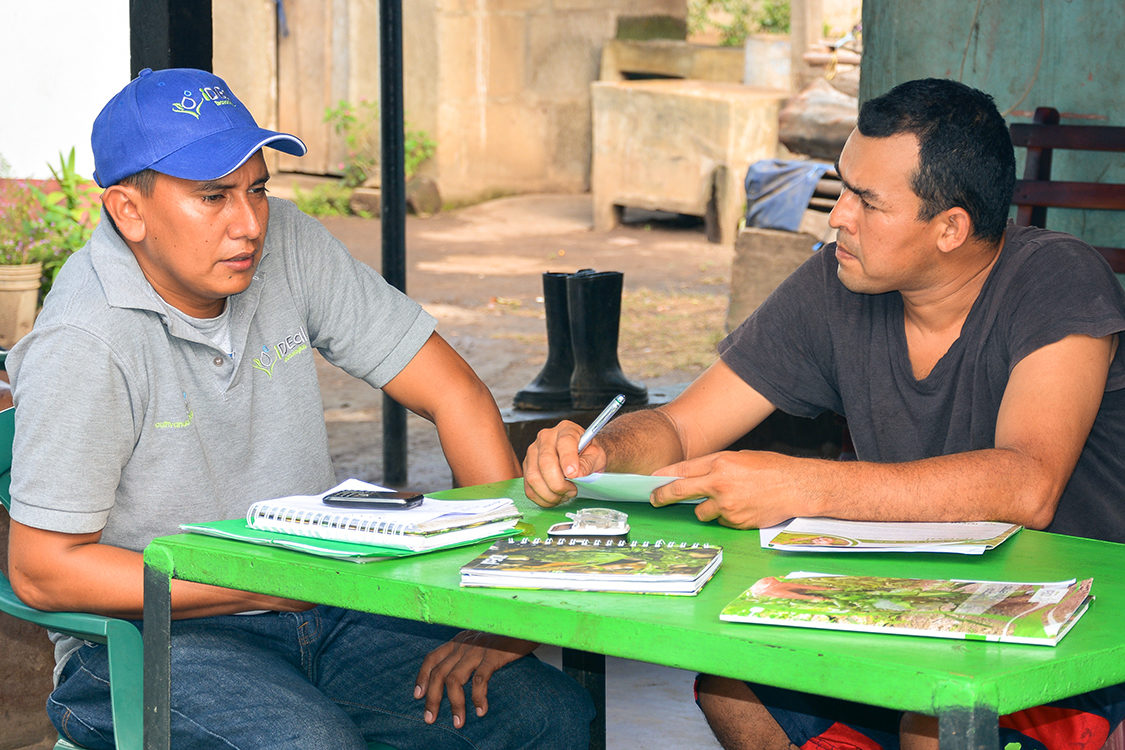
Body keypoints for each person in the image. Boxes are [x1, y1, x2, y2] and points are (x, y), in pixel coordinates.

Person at [523, 78, 1125, 749]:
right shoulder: (836, 283)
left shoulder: (1055, 279)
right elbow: (681, 426)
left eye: (867, 201)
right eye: (842, 188)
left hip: (1076, 621)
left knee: (934, 719)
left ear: (950, 228)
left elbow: (1027, 484)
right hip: (910, 606)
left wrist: (802, 485)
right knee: (731, 685)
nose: (837, 216)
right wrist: (601, 451)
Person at [5, 67, 592, 749]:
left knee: (546, 714)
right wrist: (257, 585)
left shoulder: (287, 245)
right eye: (212, 196)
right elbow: (42, 569)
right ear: (128, 212)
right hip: (148, 640)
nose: (248, 222)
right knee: (312, 744)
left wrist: (495, 609)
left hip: (321, 604)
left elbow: (454, 393)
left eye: (256, 189)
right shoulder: (86, 338)